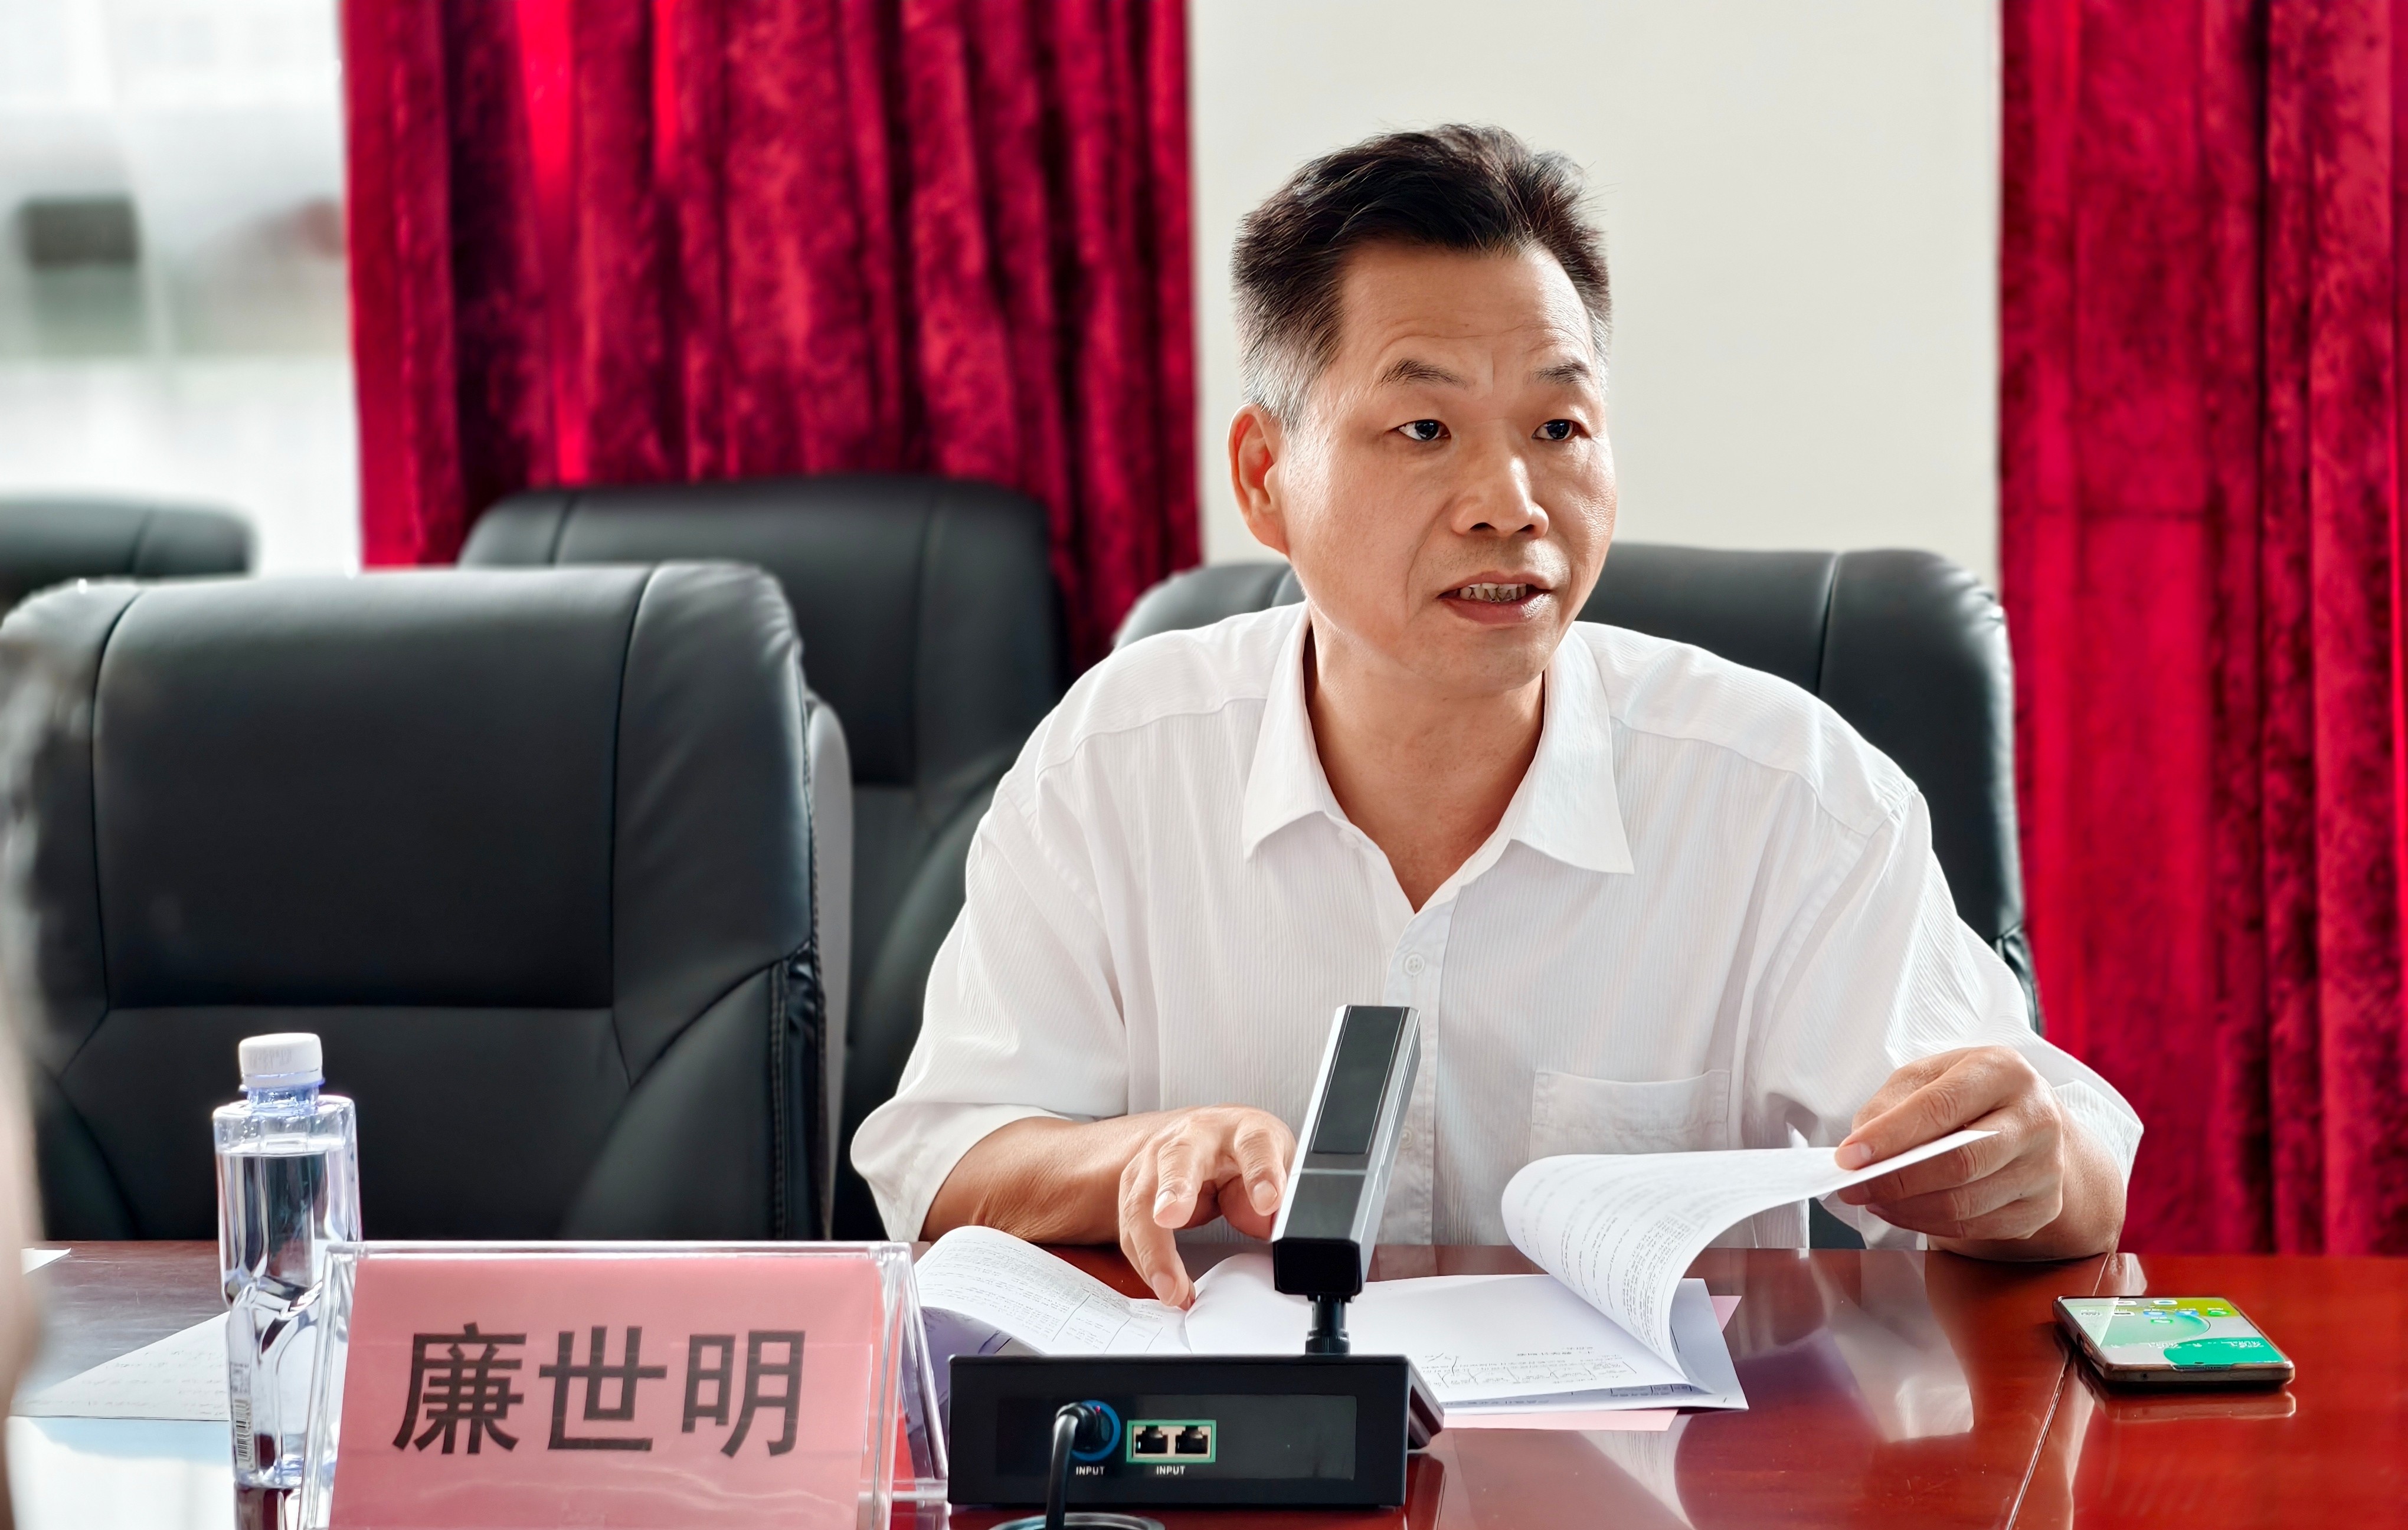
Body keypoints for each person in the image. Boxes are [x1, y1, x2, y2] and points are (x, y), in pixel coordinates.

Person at [854, 124, 2139, 1306]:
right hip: (1243, 1474)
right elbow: (939, 1165)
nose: (1510, 502)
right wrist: (1142, 1156)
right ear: (1264, 477)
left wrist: (2032, 1168)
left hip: (1665, 1477)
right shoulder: (1118, 761)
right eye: (1424, 428)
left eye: (1559, 426)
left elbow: (2066, 1170)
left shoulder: (1781, 790)